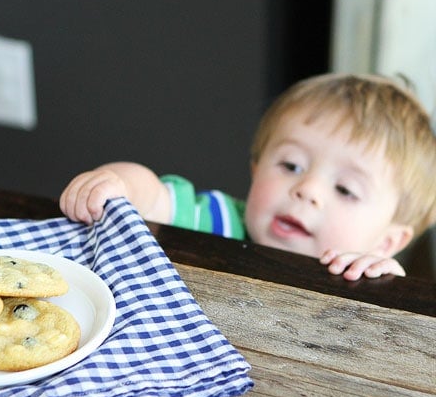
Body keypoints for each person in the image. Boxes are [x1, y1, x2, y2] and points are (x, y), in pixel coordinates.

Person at [59, 73, 436, 281]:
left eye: (345, 189)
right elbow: (152, 196)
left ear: (387, 241)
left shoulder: (365, 276)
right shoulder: (217, 222)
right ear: (256, 169)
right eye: (291, 166)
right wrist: (118, 182)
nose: (307, 190)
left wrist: (384, 282)